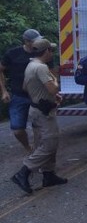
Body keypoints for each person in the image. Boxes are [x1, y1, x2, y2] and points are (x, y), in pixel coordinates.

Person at [11, 38, 67, 194]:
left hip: (36, 108)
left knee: (42, 142)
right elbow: (53, 89)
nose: (52, 53)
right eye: (51, 50)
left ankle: (49, 175)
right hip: (44, 113)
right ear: (47, 51)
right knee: (50, 144)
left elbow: (25, 87)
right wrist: (55, 79)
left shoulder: (30, 65)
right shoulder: (42, 68)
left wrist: (43, 95)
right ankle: (24, 172)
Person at [0, 28, 43, 153]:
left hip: (37, 96)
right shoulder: (13, 54)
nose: (37, 43)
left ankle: (39, 153)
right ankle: (28, 148)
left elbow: (50, 72)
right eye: (34, 41)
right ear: (26, 41)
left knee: (39, 128)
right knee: (17, 129)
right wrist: (4, 91)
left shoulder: (41, 53)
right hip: (19, 96)